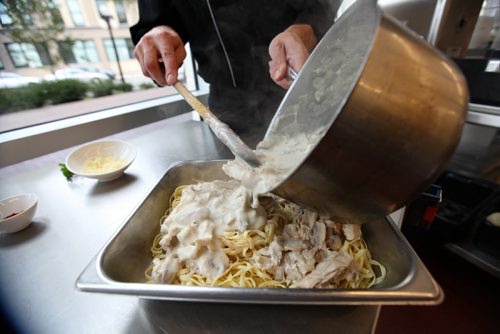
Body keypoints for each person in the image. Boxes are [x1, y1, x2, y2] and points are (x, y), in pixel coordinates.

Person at [130, 0, 338, 147]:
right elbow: (157, 16)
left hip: (304, 81)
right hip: (229, 106)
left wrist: (307, 27)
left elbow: (323, 5)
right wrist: (157, 34)